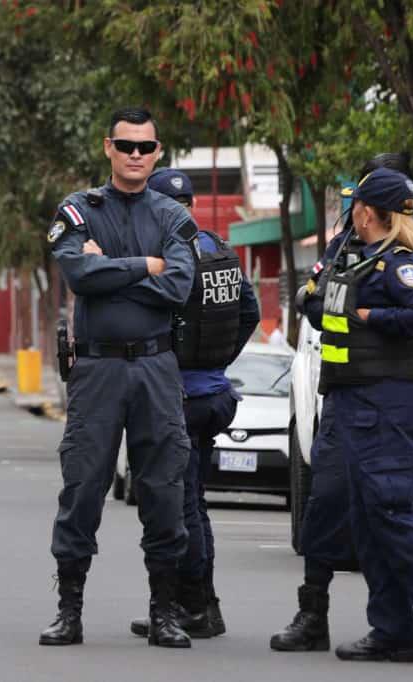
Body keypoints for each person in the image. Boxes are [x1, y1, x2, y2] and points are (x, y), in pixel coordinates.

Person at [271, 155, 413, 663]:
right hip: (351, 393)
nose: (354, 208)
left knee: (394, 509)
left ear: (374, 207)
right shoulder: (352, 246)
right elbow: (315, 300)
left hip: (399, 393)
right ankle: (387, 627)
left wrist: (373, 314)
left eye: (360, 200)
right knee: (355, 511)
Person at [39, 108, 198, 649]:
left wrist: (114, 268)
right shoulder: (79, 209)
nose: (135, 156)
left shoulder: (173, 216)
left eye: (145, 148)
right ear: (108, 147)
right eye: (126, 146)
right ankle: (69, 610)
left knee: (163, 490)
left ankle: (165, 611)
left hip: (156, 366)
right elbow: (79, 273)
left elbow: (179, 286)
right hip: (99, 367)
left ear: (158, 153)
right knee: (83, 485)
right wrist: (145, 266)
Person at [128, 168, 260, 640]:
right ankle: (204, 605)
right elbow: (251, 313)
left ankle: (190, 608)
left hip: (178, 399)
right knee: (193, 503)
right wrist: (219, 363)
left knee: (177, 507)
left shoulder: (170, 257)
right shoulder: (220, 252)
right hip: (214, 395)